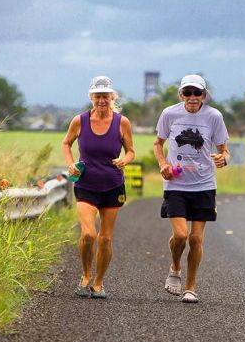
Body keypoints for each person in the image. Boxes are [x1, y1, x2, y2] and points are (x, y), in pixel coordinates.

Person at [153, 74, 230, 303]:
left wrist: (224, 158)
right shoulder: (170, 114)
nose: (193, 97)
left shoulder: (214, 116)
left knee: (196, 239)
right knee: (180, 235)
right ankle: (175, 268)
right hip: (176, 184)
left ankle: (190, 286)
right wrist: (163, 164)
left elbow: (224, 149)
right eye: (188, 93)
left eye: (197, 93)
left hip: (204, 185)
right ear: (181, 95)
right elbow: (158, 143)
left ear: (204, 95)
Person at [62, 75, 135, 299]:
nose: (102, 100)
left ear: (112, 97)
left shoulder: (122, 122)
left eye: (106, 96)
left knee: (105, 238)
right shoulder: (79, 121)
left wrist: (125, 160)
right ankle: (85, 275)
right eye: (98, 96)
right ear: (91, 97)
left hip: (113, 185)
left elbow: (131, 151)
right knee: (88, 235)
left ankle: (98, 283)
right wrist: (71, 163)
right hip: (86, 185)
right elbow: (66, 143)